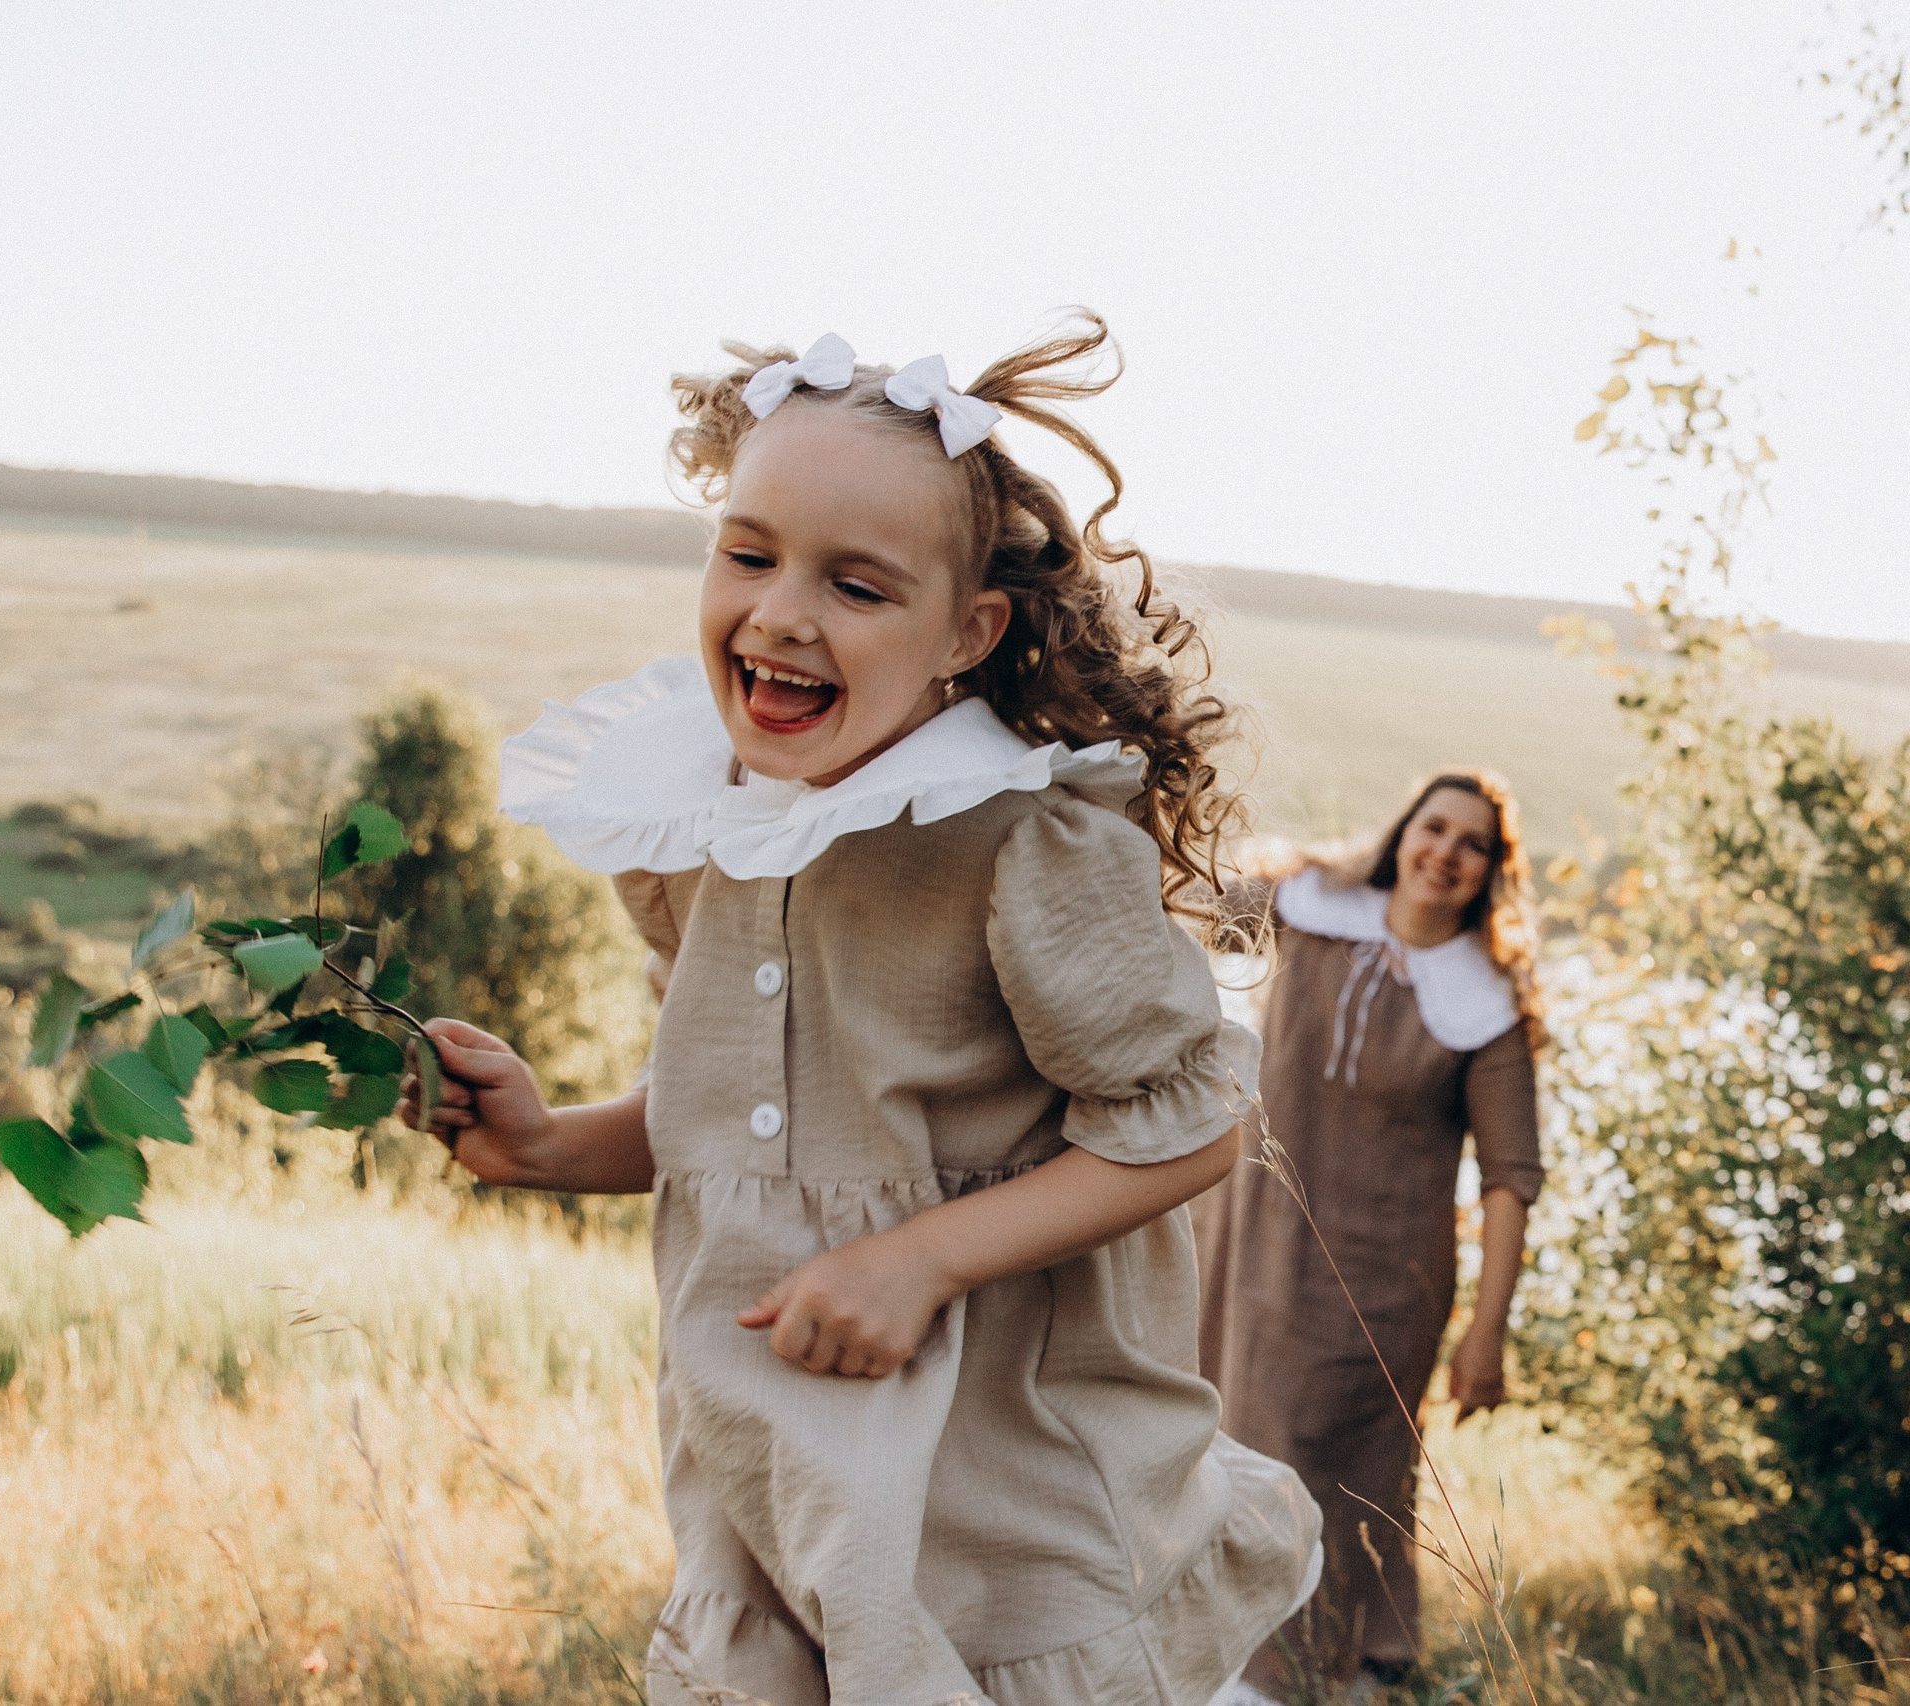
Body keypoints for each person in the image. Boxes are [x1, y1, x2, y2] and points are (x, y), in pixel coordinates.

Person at [399, 322, 1321, 1706]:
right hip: (785, 1446)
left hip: (1005, 1471)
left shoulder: (1022, 845)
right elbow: (751, 1108)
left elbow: (1193, 1127)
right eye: (750, 552)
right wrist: (552, 1143)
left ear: (969, 630)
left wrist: (926, 1258)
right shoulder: (703, 825)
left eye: (857, 584)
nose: (780, 612)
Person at [1192, 774, 1546, 1704]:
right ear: (1402, 835)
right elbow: (1176, 896)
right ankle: (1364, 1659)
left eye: (1475, 844)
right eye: (1436, 828)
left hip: (1379, 1283)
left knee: (1325, 1469)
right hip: (1247, 1242)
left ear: (1491, 872)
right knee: (1224, 1438)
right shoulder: (1312, 910)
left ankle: (1278, 1681)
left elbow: (1511, 1180)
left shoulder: (1488, 1005)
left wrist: (1487, 1332)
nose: (1448, 853)